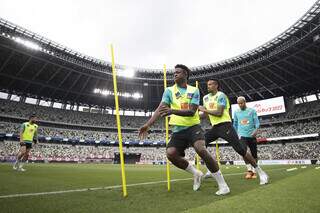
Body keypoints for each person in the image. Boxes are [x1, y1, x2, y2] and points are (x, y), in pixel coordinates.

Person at [139, 64, 230, 195]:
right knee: (170, 154)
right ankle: (196, 173)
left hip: (193, 127)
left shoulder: (194, 90)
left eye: (178, 72)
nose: (175, 74)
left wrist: (172, 110)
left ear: (185, 75)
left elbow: (192, 112)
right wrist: (148, 124)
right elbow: (160, 109)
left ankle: (223, 185)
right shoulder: (169, 90)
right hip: (178, 130)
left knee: (201, 149)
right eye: (174, 72)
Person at [198, 79, 268, 185]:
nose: (208, 86)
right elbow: (207, 115)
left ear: (216, 85)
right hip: (215, 127)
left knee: (240, 149)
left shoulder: (221, 96)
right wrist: (196, 114)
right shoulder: (206, 98)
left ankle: (260, 172)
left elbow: (219, 113)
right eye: (207, 84)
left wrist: (204, 110)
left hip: (225, 125)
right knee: (201, 144)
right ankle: (211, 169)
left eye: (210, 84)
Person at [233, 96, 260, 179]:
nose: (240, 105)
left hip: (251, 135)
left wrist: (255, 130)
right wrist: (236, 133)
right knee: (243, 152)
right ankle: (249, 170)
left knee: (254, 154)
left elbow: (257, 122)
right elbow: (235, 124)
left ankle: (254, 171)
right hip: (242, 135)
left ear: (245, 102)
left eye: (241, 103)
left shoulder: (252, 111)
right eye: (238, 103)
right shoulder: (236, 112)